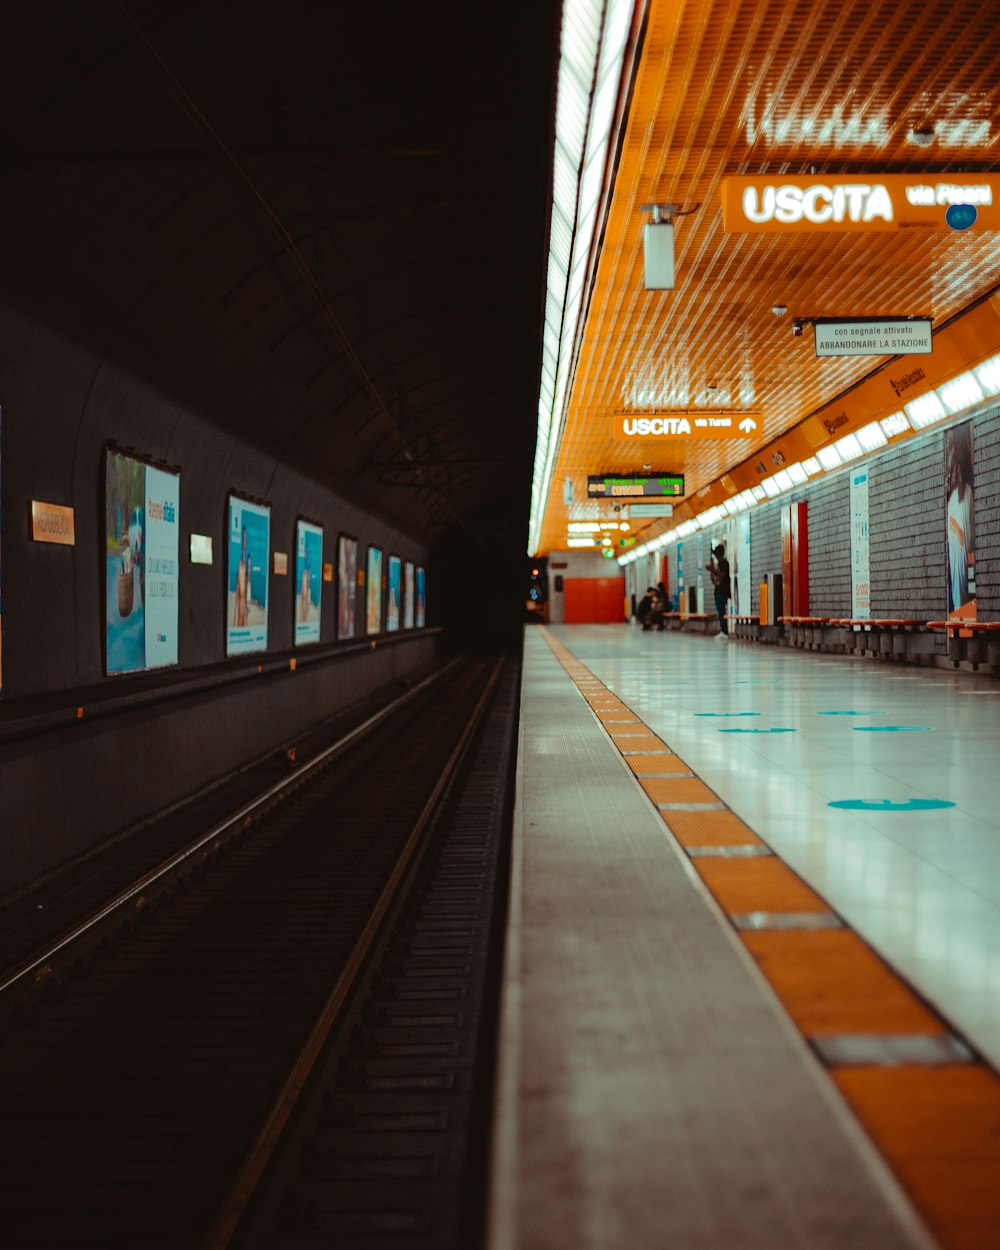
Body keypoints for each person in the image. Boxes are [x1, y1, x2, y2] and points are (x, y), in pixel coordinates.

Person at [708, 542, 731, 638]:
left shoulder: (723, 563)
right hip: (719, 590)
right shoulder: (720, 563)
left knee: (722, 611)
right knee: (720, 611)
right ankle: (723, 630)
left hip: (722, 591)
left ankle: (725, 631)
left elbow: (721, 575)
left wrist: (712, 570)